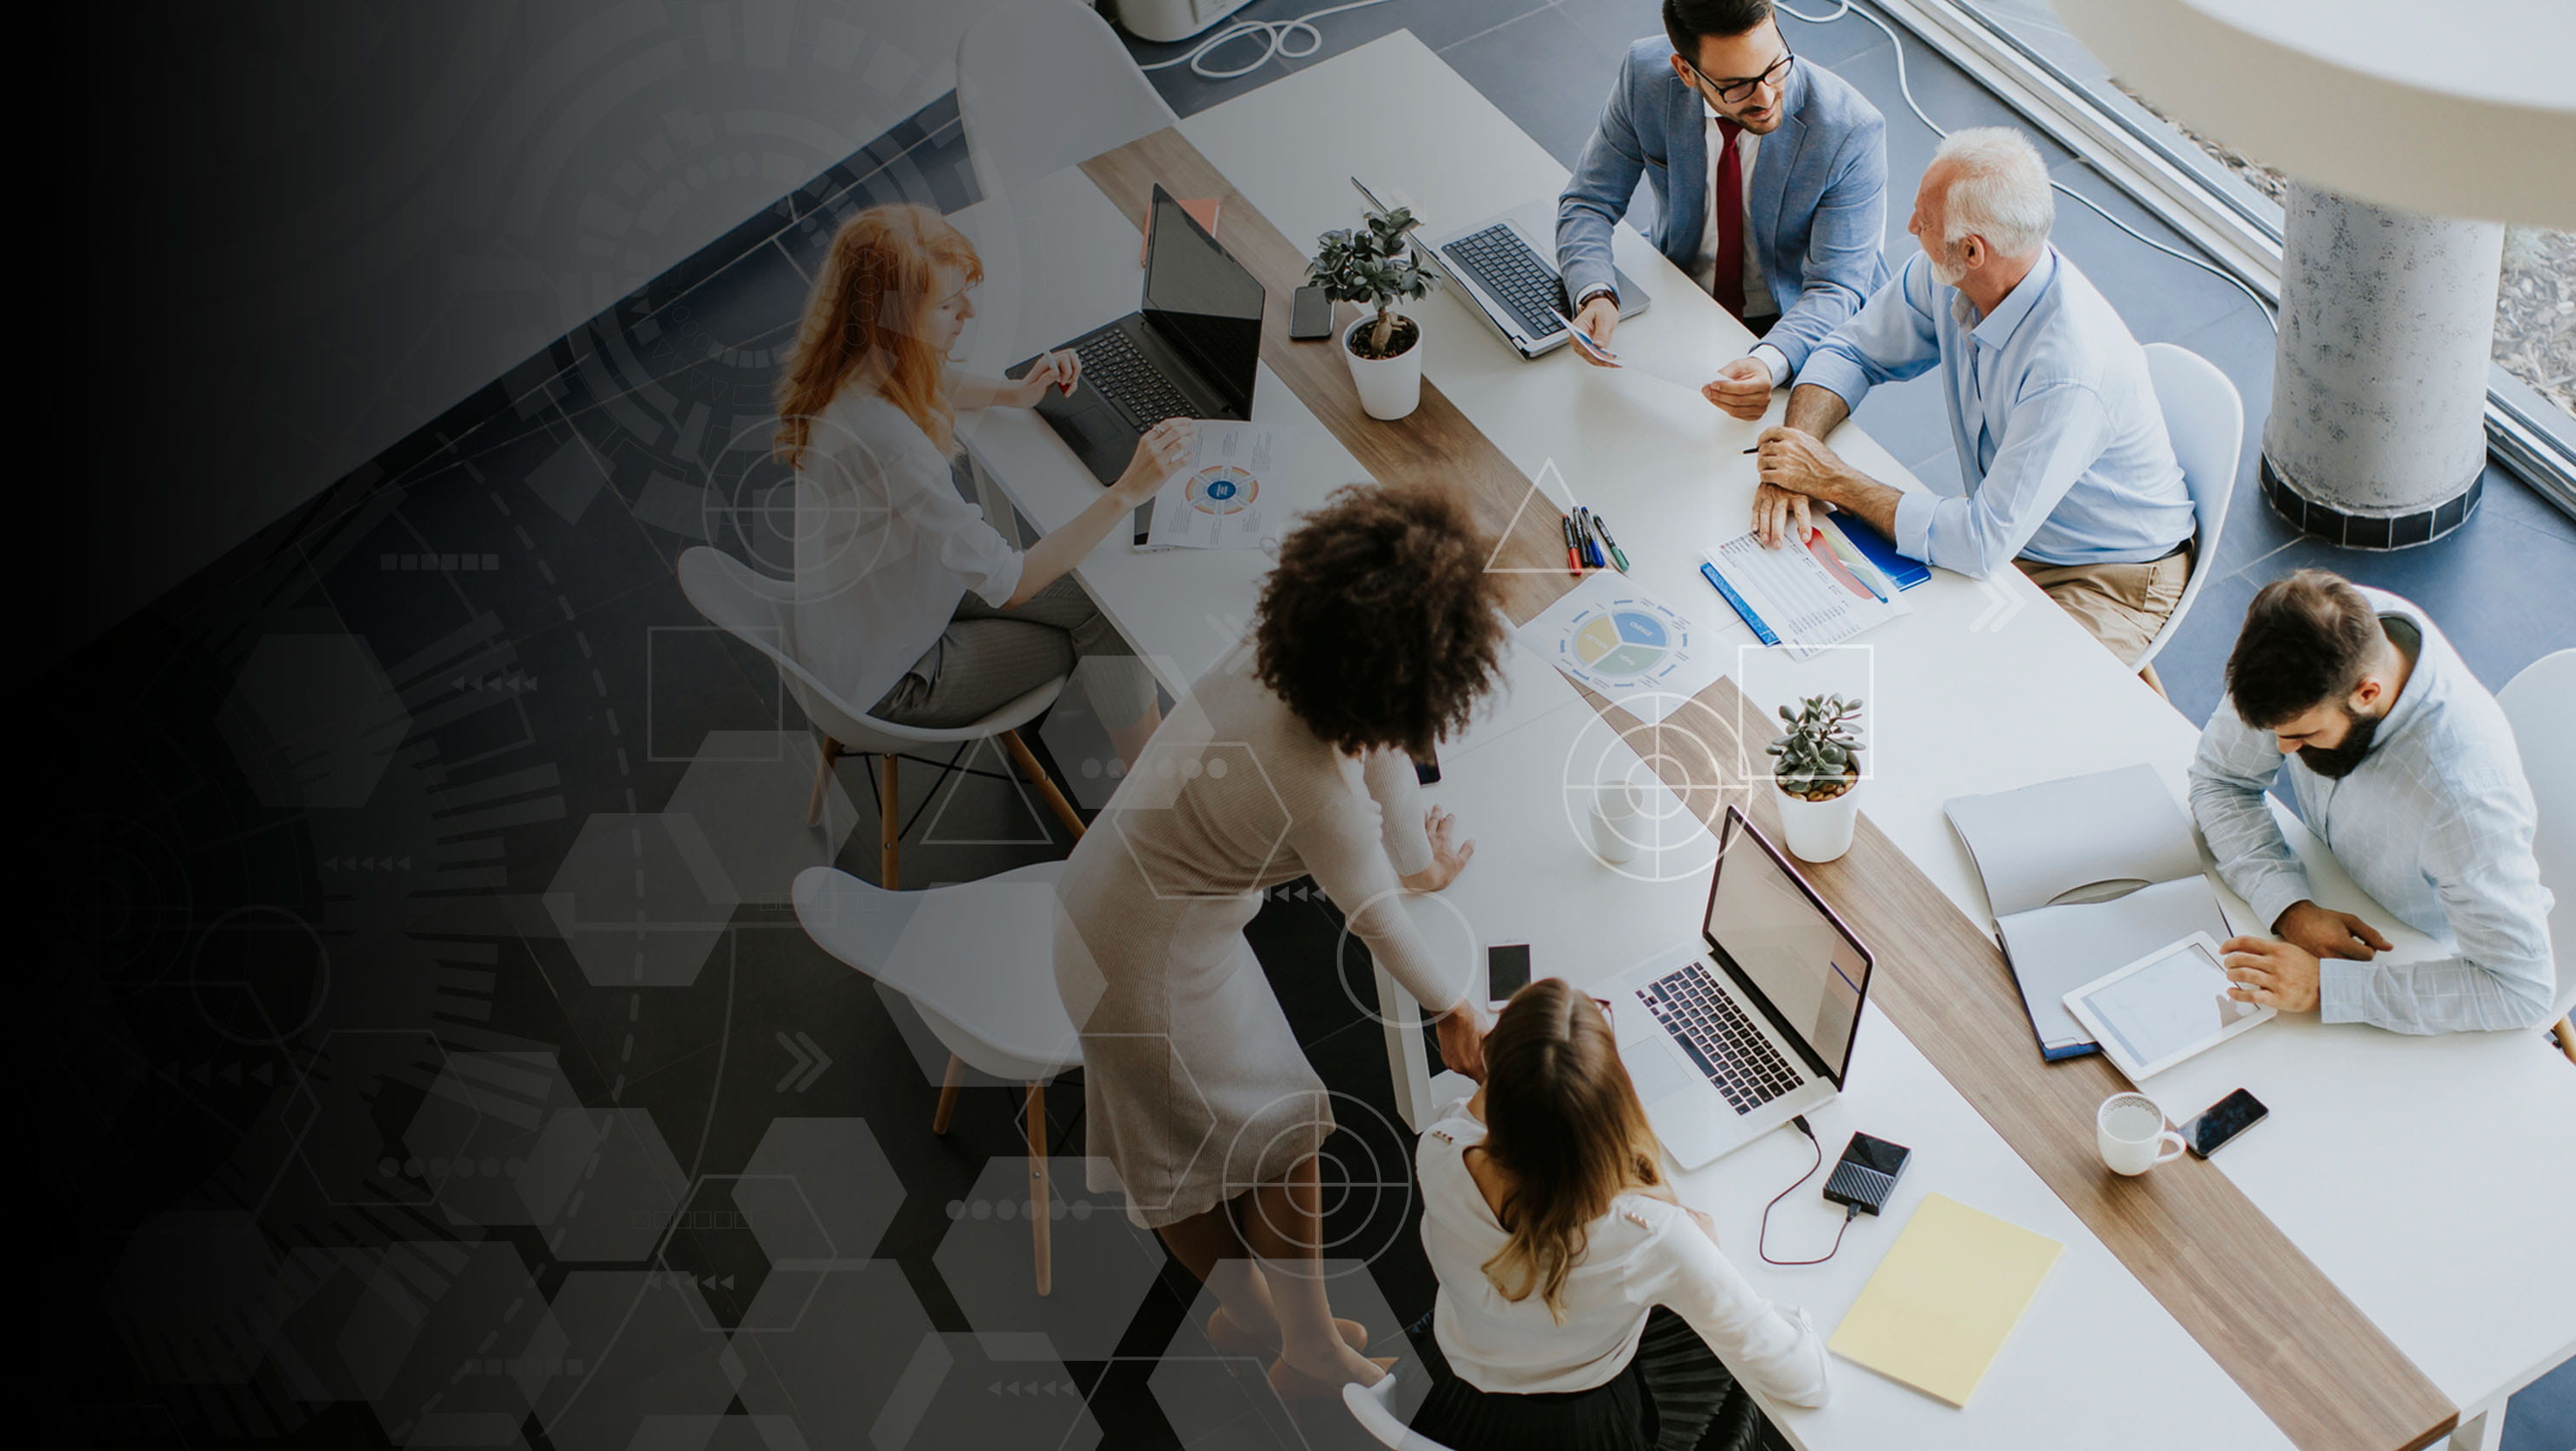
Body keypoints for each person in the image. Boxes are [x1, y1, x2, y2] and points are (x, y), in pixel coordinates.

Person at [1052, 485, 1505, 1395]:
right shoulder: (1313, 788)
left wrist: (1419, 863)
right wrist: (1456, 1008)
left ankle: (1255, 1316)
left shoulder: (1283, 657)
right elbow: (1373, 915)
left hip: (1106, 903)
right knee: (1274, 1134)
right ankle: (1301, 1348)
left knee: (1178, 1145)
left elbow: (1383, 759)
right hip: (1148, 961)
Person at [1750, 127, 2195, 676]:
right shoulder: (1951, 274)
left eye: (1924, 220)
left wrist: (1831, 479)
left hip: (2111, 577)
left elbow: (1980, 542)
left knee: (1997, 703)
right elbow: (1849, 350)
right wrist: (1794, 456)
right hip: (2015, 532)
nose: (1911, 228)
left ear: (1971, 251)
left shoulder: (2067, 370)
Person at [776, 203, 1179, 763]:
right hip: (894, 682)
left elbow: (924, 376)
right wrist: (1129, 489)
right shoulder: (893, 447)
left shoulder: (845, 368)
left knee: (1092, 602)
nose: (968, 312)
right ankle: (1154, 784)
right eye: (947, 305)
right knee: (1104, 625)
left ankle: (1143, 760)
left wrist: (1015, 393)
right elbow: (1011, 582)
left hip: (867, 620)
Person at [1408, 979, 1830, 1449]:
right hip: (1579, 1432)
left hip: (1449, 1394)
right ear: (1612, 1096)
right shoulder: (1648, 1235)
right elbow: (1806, 1379)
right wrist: (1707, 1253)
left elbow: (1470, 1120)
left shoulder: (1439, 1150)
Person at [2187, 570, 2555, 1035]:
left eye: (2303, 735)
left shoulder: (2464, 803)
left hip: (2426, 959)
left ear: (2367, 694)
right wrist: (2291, 909)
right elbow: (2221, 780)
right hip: (2334, 885)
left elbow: (2520, 990)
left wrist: (2326, 989)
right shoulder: (2309, 632)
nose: (2281, 750)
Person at [1557, 0, 1888, 420]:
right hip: (1679, 287)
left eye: (1774, 67)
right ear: (1686, 72)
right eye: (1737, 85)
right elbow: (1589, 200)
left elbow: (1836, 288)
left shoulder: (1850, 128)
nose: (1766, 96)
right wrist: (1595, 292)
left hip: (1794, 317)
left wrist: (1768, 361)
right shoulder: (1645, 76)